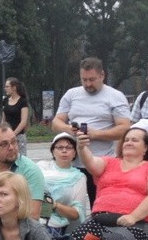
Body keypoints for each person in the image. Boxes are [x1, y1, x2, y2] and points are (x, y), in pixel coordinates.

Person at [52, 57, 131, 205]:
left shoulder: (115, 96)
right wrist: (70, 129)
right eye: (84, 80)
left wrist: (96, 134)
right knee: (69, 207)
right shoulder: (72, 94)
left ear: (102, 76)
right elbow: (56, 123)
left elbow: (125, 128)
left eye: (92, 79)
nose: (88, 84)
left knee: (101, 206)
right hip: (73, 163)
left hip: (101, 163)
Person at [36, 132, 89, 240]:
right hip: (32, 214)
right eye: (60, 147)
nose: (64, 151)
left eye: (69, 147)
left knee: (39, 234)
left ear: (75, 153)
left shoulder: (79, 177)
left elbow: (77, 213)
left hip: (56, 223)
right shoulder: (41, 167)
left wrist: (54, 205)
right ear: (53, 151)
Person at [2, 77, 30, 157]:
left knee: (21, 158)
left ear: (14, 87)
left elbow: (23, 121)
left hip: (19, 136)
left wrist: (13, 134)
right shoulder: (5, 101)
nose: (5, 89)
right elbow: (3, 119)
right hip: (6, 135)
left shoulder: (23, 101)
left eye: (7, 87)